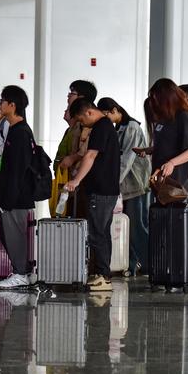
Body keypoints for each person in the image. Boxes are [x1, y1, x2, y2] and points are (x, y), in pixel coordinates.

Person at [64, 99, 122, 291]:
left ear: (89, 112)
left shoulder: (101, 127)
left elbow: (90, 156)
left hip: (101, 190)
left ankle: (103, 276)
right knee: (102, 232)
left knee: (97, 232)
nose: (83, 124)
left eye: (81, 119)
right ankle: (102, 274)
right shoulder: (105, 125)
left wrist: (76, 180)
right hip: (106, 190)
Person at [97, 97, 149, 277]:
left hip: (135, 183)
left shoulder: (131, 127)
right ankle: (132, 264)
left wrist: (113, 182)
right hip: (123, 185)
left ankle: (149, 264)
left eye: (106, 115)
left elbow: (127, 159)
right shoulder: (117, 128)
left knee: (136, 226)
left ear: (114, 110)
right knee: (126, 227)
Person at [0, 86, 39, 289]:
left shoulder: (20, 132)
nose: (0, 104)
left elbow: (18, 170)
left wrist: (7, 200)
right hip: (15, 195)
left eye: (2, 100)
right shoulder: (17, 130)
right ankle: (24, 272)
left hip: (16, 197)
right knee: (10, 234)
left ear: (12, 105)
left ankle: (21, 273)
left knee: (14, 236)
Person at [146, 79, 188, 193]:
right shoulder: (165, 117)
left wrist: (172, 163)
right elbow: (169, 144)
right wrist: (149, 150)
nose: (155, 102)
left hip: (176, 182)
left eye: (157, 99)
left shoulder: (185, 118)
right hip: (160, 178)